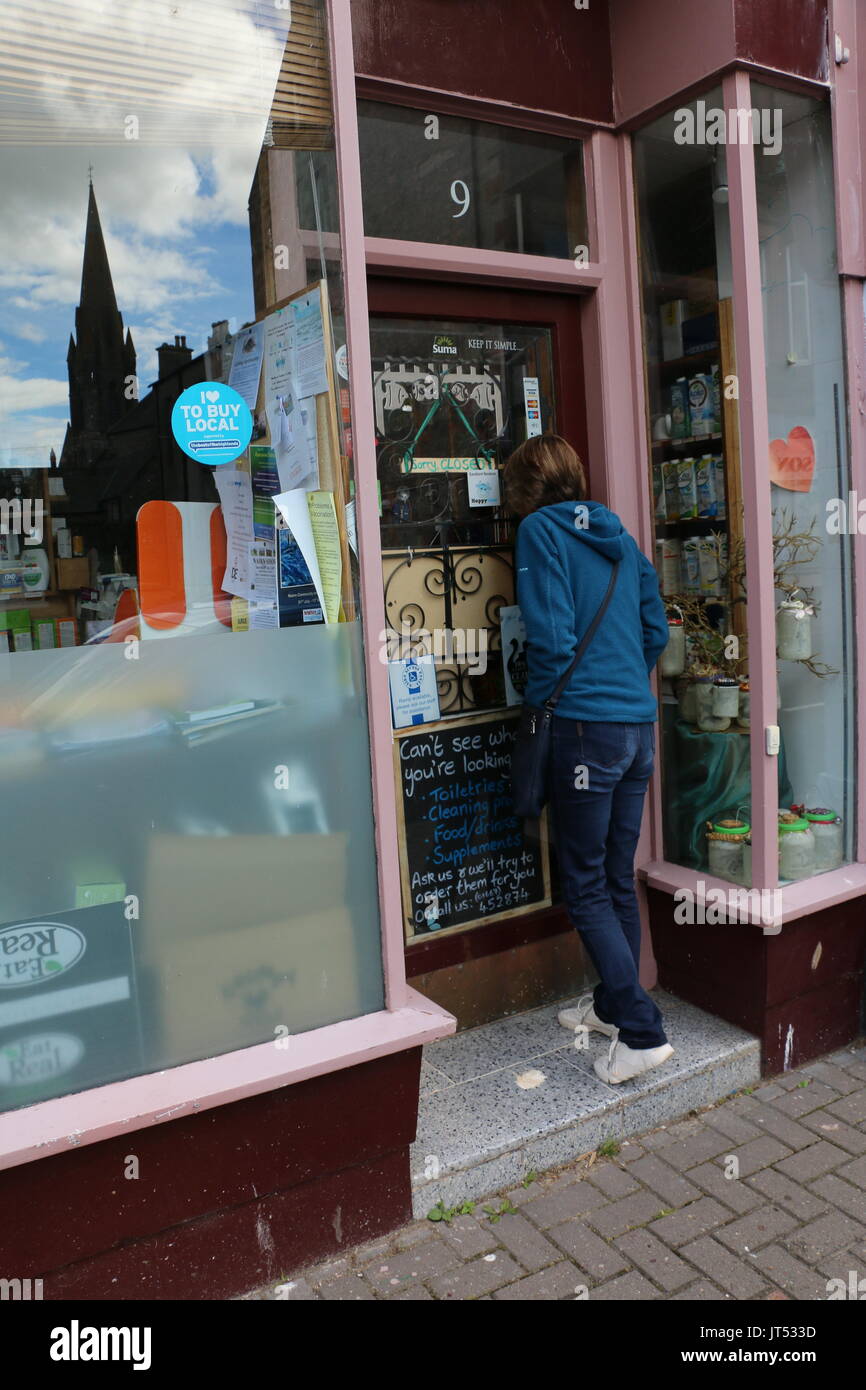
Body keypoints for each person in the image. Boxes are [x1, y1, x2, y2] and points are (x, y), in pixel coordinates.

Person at [503, 433, 674, 1085]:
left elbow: (549, 641)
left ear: (524, 488)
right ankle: (610, 1006)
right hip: (635, 726)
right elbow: (655, 630)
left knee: (581, 881)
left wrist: (548, 710)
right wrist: (623, 681)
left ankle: (641, 1029)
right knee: (613, 874)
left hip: (583, 732)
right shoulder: (620, 538)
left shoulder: (541, 533)